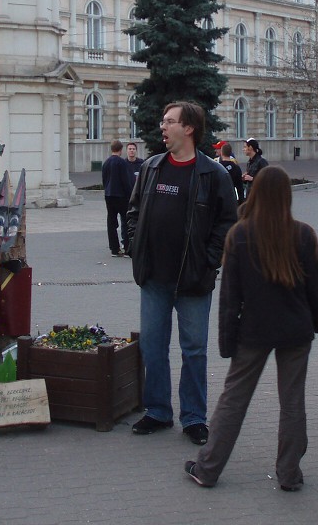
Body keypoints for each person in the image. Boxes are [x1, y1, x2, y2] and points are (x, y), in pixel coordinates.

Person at [184, 166, 318, 491]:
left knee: (233, 400)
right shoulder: (303, 234)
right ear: (287, 196)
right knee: (293, 403)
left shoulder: (240, 234)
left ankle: (207, 469)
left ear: (256, 193)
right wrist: (317, 322)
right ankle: (289, 474)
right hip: (295, 329)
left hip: (253, 330)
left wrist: (226, 341)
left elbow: (230, 297)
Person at [126, 101, 239, 446]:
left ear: (188, 128)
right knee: (153, 346)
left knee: (193, 350)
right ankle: (158, 411)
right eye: (163, 121)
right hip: (154, 277)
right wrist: (135, 246)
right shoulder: (151, 168)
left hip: (192, 280)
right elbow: (133, 212)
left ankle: (193, 417)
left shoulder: (212, 174)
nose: (163, 127)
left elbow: (227, 223)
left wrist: (209, 260)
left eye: (169, 121)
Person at [101, 140, 134, 257]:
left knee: (111, 221)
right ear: (121, 150)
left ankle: (114, 249)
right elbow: (126, 181)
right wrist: (131, 195)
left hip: (109, 195)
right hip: (121, 195)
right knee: (126, 221)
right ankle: (127, 247)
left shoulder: (106, 163)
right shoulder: (121, 163)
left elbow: (104, 180)